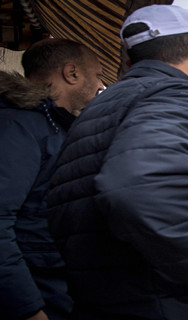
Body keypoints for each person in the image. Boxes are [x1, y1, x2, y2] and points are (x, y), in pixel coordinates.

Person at [46, 5, 188, 320]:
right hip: (161, 303)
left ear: (129, 61)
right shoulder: (180, 93)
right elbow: (142, 189)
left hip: (100, 300)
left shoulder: (99, 109)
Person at [0, 38, 103, 320]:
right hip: (36, 291)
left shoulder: (51, 124)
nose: (100, 85)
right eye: (97, 75)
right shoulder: (18, 126)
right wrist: (28, 308)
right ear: (72, 73)